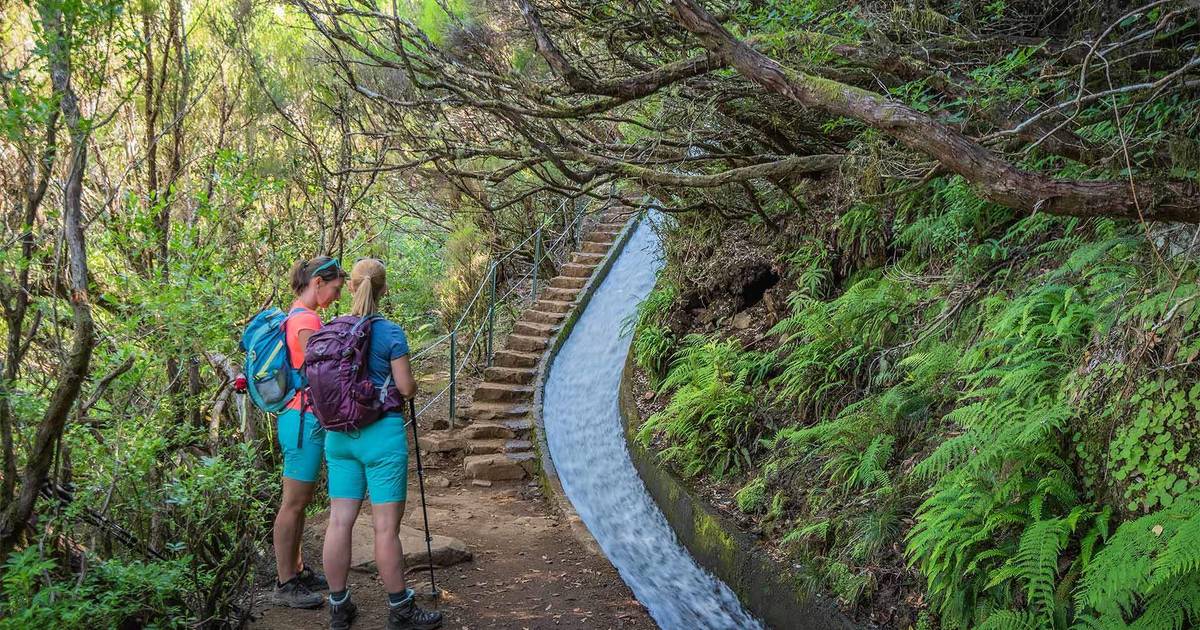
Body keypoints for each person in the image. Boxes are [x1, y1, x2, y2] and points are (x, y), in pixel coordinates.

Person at [323, 258, 443, 630]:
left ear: (350, 285)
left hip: (339, 436)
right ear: (384, 289)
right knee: (385, 529)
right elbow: (405, 388)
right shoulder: (390, 333)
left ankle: (339, 607)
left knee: (339, 522)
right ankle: (400, 609)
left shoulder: (332, 328)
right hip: (382, 437)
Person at [272, 255, 346, 608]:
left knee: (299, 503)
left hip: (300, 418)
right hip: (302, 421)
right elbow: (326, 370)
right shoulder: (306, 319)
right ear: (318, 282)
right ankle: (285, 583)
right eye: (335, 288)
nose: (337, 295)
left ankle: (296, 570)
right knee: (293, 503)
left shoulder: (298, 314)